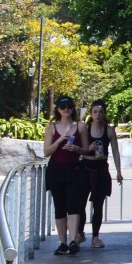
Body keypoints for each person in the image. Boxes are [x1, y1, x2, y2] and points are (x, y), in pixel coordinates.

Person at [43, 96, 87, 255]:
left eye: (69, 106)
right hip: (56, 169)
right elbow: (46, 152)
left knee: (74, 205)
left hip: (75, 169)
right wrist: (59, 140)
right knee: (59, 207)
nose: (66, 109)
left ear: (73, 108)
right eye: (63, 107)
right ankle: (62, 242)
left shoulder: (80, 126)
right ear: (58, 109)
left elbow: (86, 150)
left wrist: (76, 149)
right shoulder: (51, 128)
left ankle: (73, 240)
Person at [77, 100, 124, 248]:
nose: (98, 114)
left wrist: (118, 172)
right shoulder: (85, 128)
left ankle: (95, 237)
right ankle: (80, 233)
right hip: (85, 167)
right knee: (80, 203)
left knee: (98, 205)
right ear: (91, 113)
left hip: (101, 168)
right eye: (95, 111)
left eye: (101, 111)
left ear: (105, 113)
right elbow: (78, 148)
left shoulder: (109, 130)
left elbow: (115, 151)